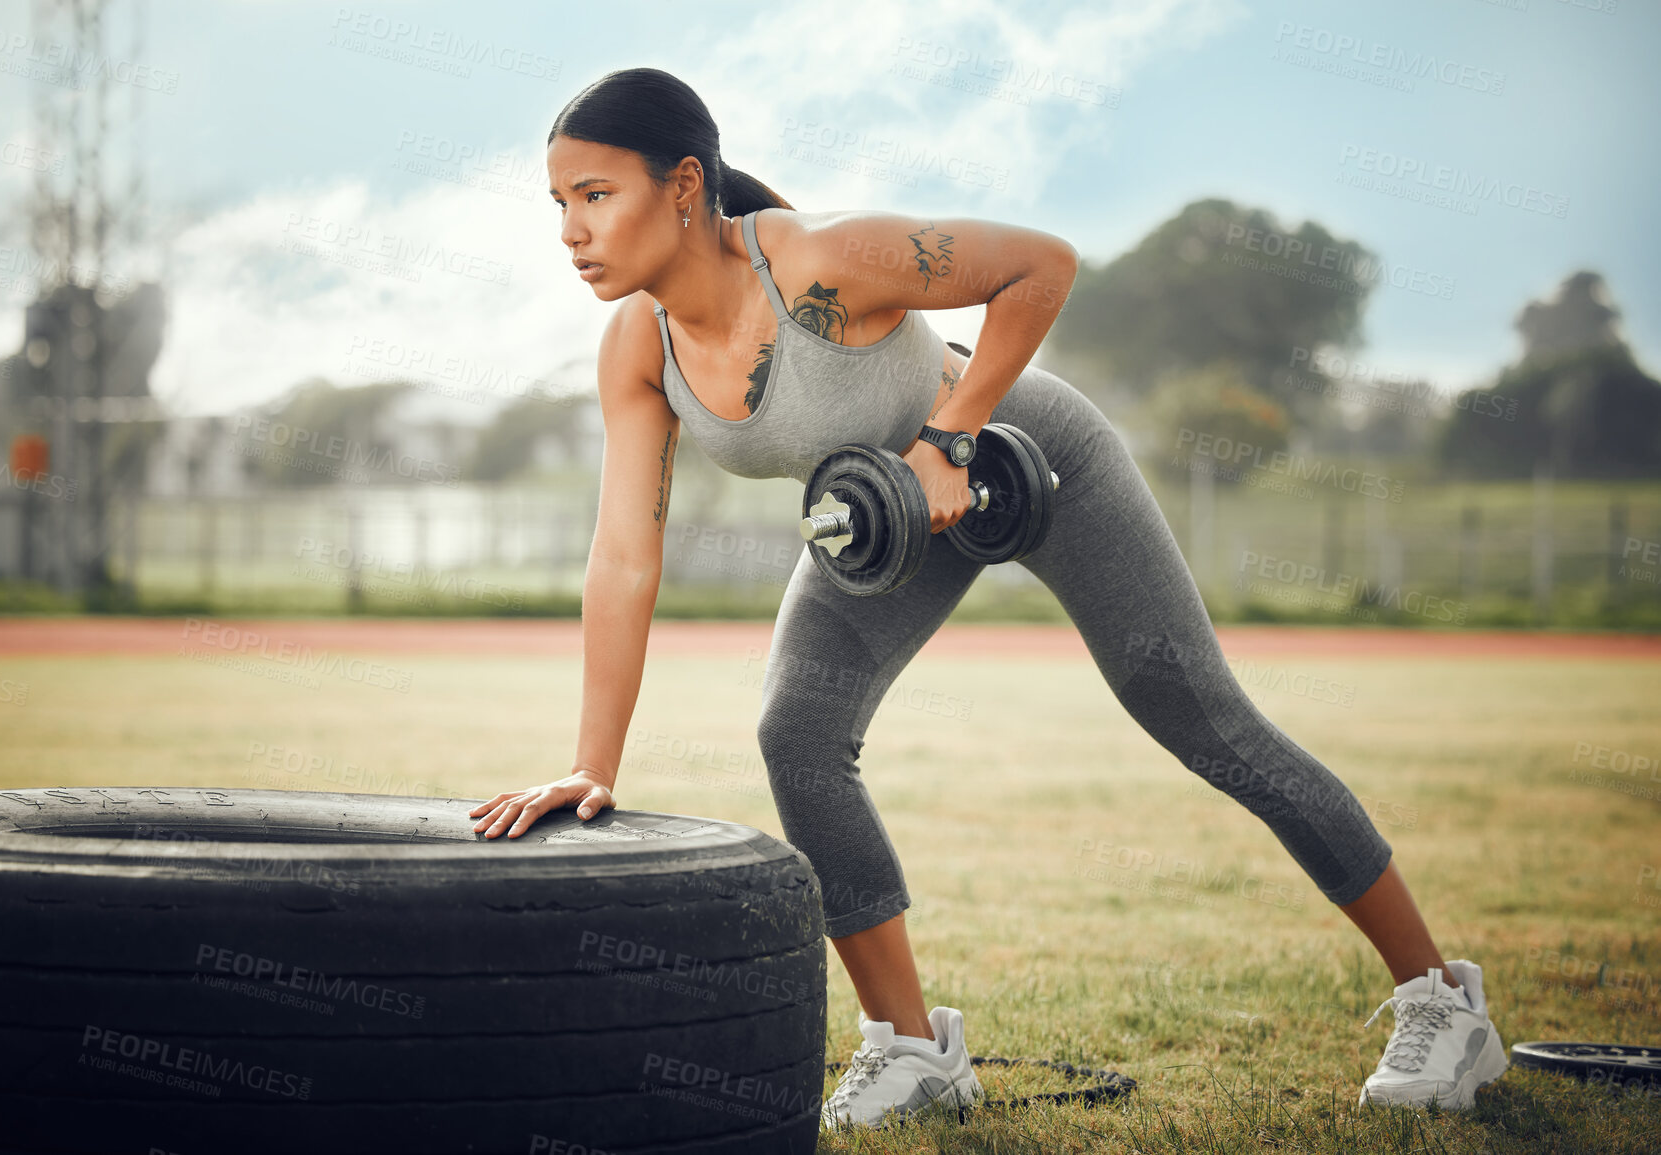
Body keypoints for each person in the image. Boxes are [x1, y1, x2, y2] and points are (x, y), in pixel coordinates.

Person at [469, 67, 1508, 1131]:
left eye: (595, 195)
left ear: (684, 186)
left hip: (1026, 452)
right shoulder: (640, 350)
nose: (570, 230)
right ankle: (915, 1050)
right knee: (799, 733)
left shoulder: (824, 258)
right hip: (888, 518)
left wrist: (948, 438)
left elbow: (1040, 267)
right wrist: (593, 765)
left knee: (1200, 718)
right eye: (559, 204)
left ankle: (1443, 1000)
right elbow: (623, 556)